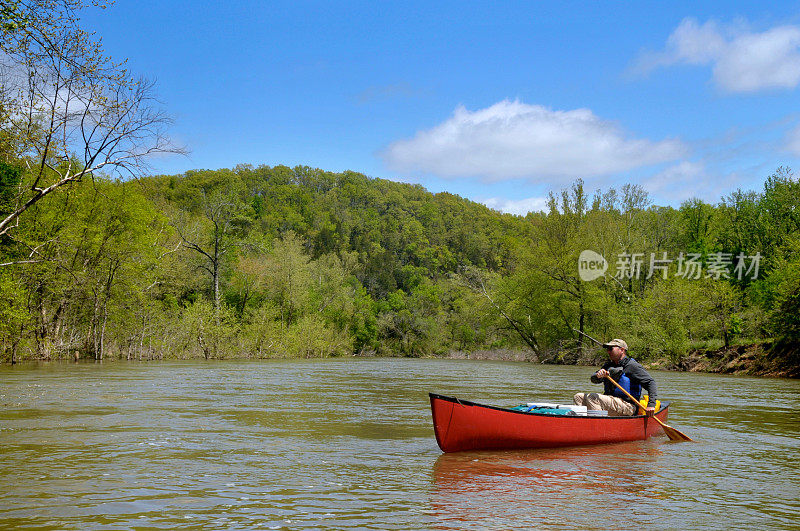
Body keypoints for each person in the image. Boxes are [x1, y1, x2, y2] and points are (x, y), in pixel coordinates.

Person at [573, 338, 658, 416]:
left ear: (622, 350)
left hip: (628, 405)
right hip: (611, 402)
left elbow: (651, 383)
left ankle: (598, 426)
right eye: (607, 349)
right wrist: (598, 375)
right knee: (578, 396)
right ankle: (581, 423)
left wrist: (651, 405)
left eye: (611, 349)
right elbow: (593, 379)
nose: (608, 351)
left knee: (593, 397)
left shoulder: (632, 366)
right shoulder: (608, 365)